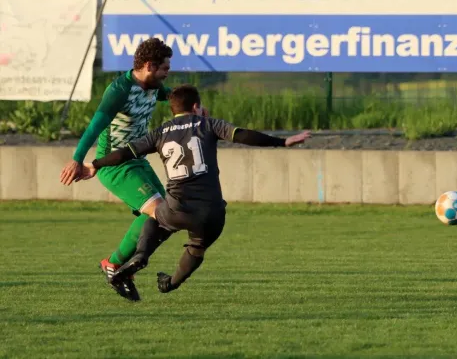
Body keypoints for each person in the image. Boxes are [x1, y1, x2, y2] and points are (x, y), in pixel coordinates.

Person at [78, 84, 311, 301]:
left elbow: (124, 153)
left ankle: (140, 255)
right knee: (197, 247)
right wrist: (283, 142)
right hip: (212, 212)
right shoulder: (208, 125)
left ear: (173, 109)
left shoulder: (161, 132)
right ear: (196, 107)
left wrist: (95, 165)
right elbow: (243, 135)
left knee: (156, 216)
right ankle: (170, 283)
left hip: (177, 208)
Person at [60, 38, 178, 299]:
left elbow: (172, 95)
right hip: (115, 165)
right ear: (149, 66)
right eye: (164, 69)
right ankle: (114, 265)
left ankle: (122, 267)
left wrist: (192, 107)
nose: (167, 73)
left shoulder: (152, 87)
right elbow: (95, 126)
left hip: (137, 160)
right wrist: (78, 159)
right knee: (158, 213)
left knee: (172, 216)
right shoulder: (120, 89)